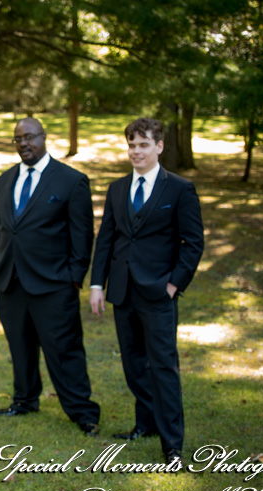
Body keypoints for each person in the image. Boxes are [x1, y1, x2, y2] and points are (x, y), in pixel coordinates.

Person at [89, 117, 204, 465]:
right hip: (123, 291)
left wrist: (174, 284)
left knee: (163, 367)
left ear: (159, 146)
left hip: (159, 293)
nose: (135, 151)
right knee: (133, 365)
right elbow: (106, 239)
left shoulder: (179, 189)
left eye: (142, 145)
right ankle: (145, 424)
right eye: (131, 145)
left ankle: (172, 445)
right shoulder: (118, 188)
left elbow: (193, 243)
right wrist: (97, 283)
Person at [0, 117, 100, 436]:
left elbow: (82, 234)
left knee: (63, 349)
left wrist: (74, 277)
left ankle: (83, 411)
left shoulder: (71, 181)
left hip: (54, 284)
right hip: (10, 280)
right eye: (18, 139)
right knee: (19, 346)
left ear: (44, 137)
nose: (24, 143)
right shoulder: (5, 180)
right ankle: (24, 399)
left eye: (30, 137)